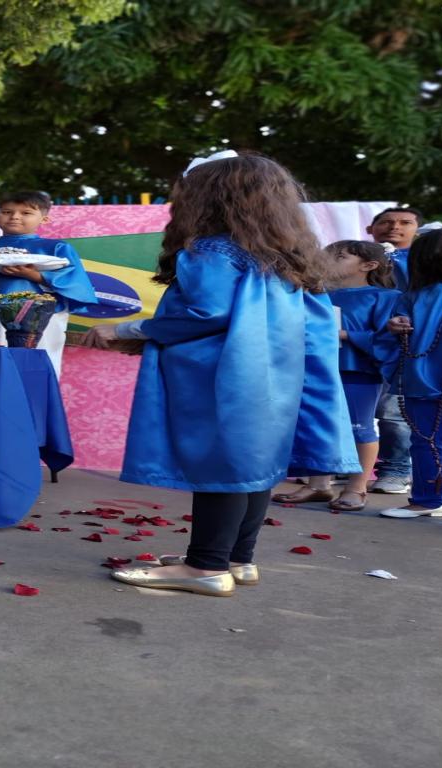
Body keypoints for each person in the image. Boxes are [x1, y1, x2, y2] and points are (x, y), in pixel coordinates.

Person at [84, 151, 360, 597]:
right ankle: (236, 557)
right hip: (274, 377)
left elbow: (204, 312)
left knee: (223, 463)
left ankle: (205, 567)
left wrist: (124, 328)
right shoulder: (285, 257)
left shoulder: (212, 250)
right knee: (255, 464)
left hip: (221, 373)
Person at [271, 241, 400, 511]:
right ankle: (319, 485)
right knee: (319, 423)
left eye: (339, 256)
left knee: (358, 427)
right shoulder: (316, 293)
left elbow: (388, 336)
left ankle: (357, 487)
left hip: (357, 371)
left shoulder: (384, 297)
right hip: (316, 368)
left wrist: (345, 335)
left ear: (369, 265)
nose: (329, 260)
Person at [0, 191, 96, 377]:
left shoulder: (56, 248)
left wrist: (36, 276)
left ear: (44, 219)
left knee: (36, 365)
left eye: (26, 213)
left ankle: (35, 401)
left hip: (41, 317)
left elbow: (76, 282)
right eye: (7, 211)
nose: (15, 217)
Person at [379, 227, 442, 519]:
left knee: (428, 437)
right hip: (426, 374)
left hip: (428, 374)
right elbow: (393, 331)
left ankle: (430, 497)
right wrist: (395, 326)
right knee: (426, 437)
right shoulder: (414, 296)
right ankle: (429, 498)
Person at [366, 207, 424, 494]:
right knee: (355, 409)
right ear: (370, 228)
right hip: (360, 341)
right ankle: (352, 467)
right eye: (386, 222)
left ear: (418, 230)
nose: (394, 227)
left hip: (403, 344)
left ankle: (396, 469)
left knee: (393, 412)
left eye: (405, 223)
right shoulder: (355, 256)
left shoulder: (424, 262)